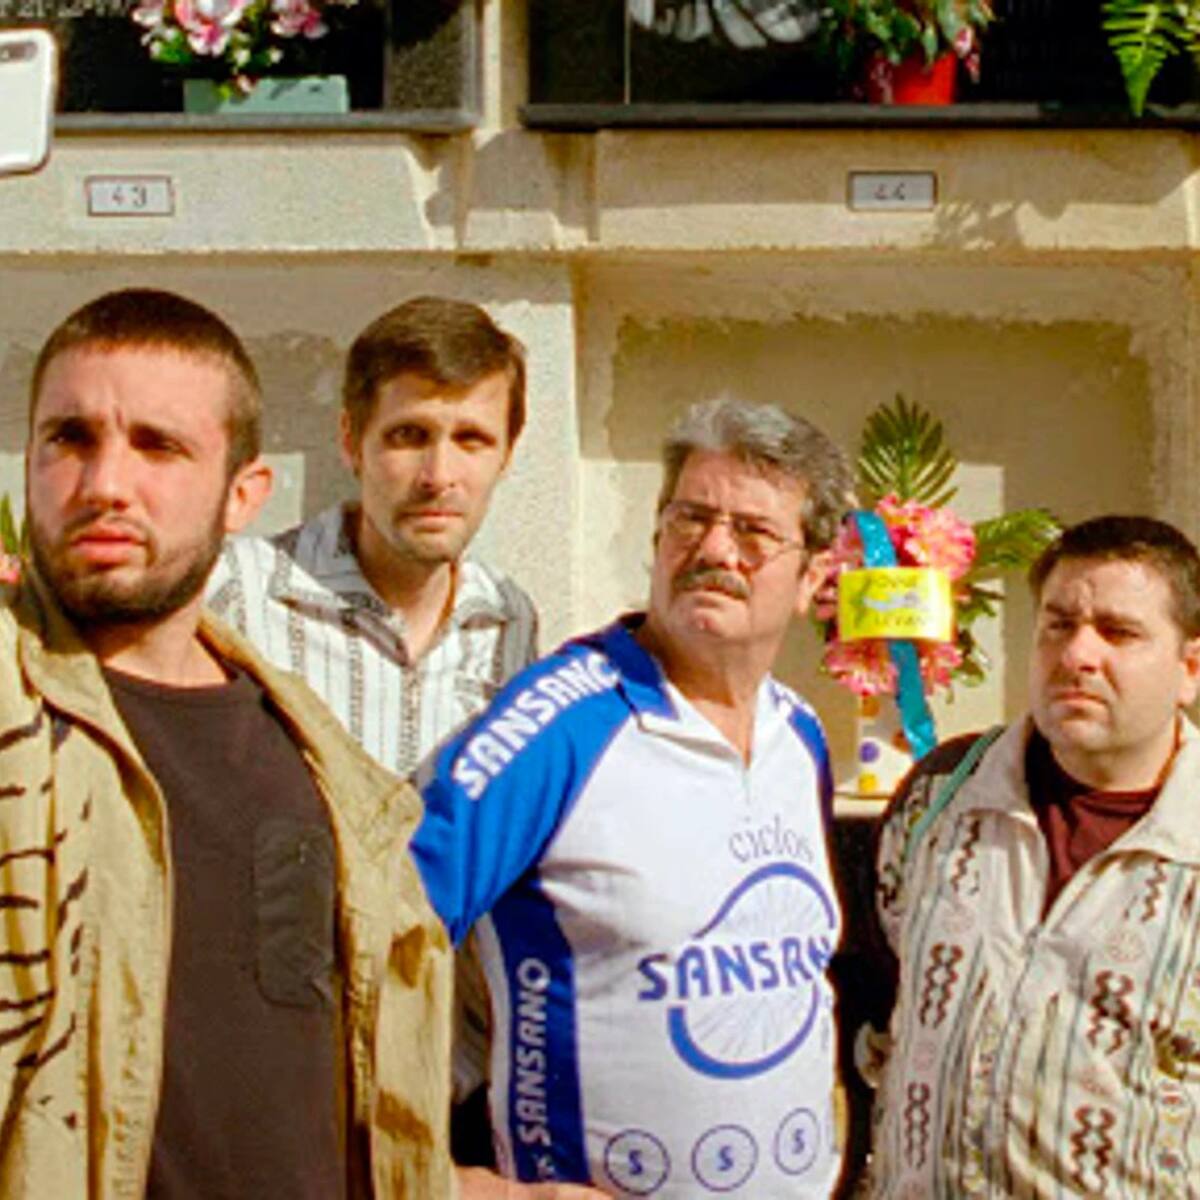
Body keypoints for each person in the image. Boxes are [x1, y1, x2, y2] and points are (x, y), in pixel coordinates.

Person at [0, 288, 454, 1196]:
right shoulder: (18, 713)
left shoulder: (321, 765)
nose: (105, 484)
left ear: (243, 494)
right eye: (70, 439)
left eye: (158, 446)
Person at [412, 396, 855, 1198]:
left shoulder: (800, 736)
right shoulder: (554, 731)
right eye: (691, 518)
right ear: (656, 540)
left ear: (813, 579)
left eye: (753, 532)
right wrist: (462, 1185)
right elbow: (369, 946)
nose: (713, 548)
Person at [205, 295, 539, 1173]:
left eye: (471, 439)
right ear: (352, 441)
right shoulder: (240, 594)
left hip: (448, 1095)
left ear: (507, 454)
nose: (438, 474)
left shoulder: (508, 621)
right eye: (409, 436)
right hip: (287, 1094)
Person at [869, 515, 1200, 1197]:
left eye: (1118, 632)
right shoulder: (940, 797)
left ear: (1189, 669)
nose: (1077, 654)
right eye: (1058, 624)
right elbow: (876, 998)